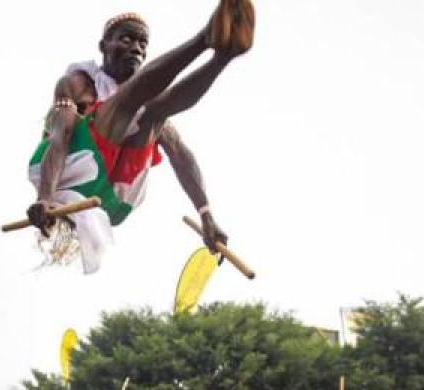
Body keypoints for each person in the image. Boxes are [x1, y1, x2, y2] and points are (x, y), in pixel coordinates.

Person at [26, 3, 255, 273]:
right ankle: (205, 38)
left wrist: (206, 214)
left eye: (143, 43)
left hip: (116, 199)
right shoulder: (79, 83)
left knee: (154, 115)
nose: (137, 48)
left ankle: (222, 57)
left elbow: (181, 155)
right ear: (104, 46)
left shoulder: (146, 100)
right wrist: (45, 197)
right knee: (124, 105)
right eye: (127, 39)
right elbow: (61, 132)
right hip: (72, 179)